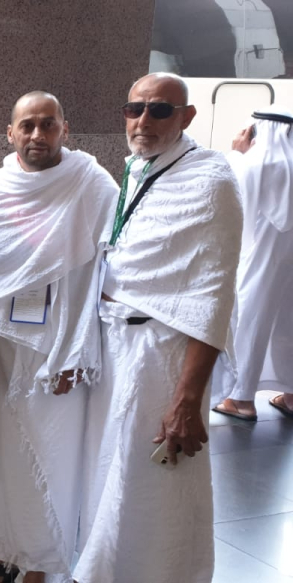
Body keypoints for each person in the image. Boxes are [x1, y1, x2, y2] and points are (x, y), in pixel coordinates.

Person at [76, 73, 242, 583]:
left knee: (155, 477)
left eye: (160, 110)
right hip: (114, 346)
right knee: (110, 472)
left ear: (187, 117)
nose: (144, 120)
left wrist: (186, 400)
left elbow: (212, 298)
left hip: (162, 356)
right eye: (135, 109)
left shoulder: (211, 182)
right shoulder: (135, 166)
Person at [0, 92, 117, 583]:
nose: (36, 135)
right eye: (26, 125)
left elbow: (103, 275)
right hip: (4, 347)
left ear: (65, 130)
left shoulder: (92, 184)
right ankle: (2, 552)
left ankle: (42, 566)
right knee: (1, 456)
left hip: (61, 351)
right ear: (9, 133)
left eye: (47, 124)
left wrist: (78, 351)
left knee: (53, 456)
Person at [212, 107, 293, 421]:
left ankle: (241, 398)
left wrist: (236, 154)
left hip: (260, 259)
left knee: (249, 320)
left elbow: (225, 192)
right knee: (288, 324)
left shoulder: (256, 162)